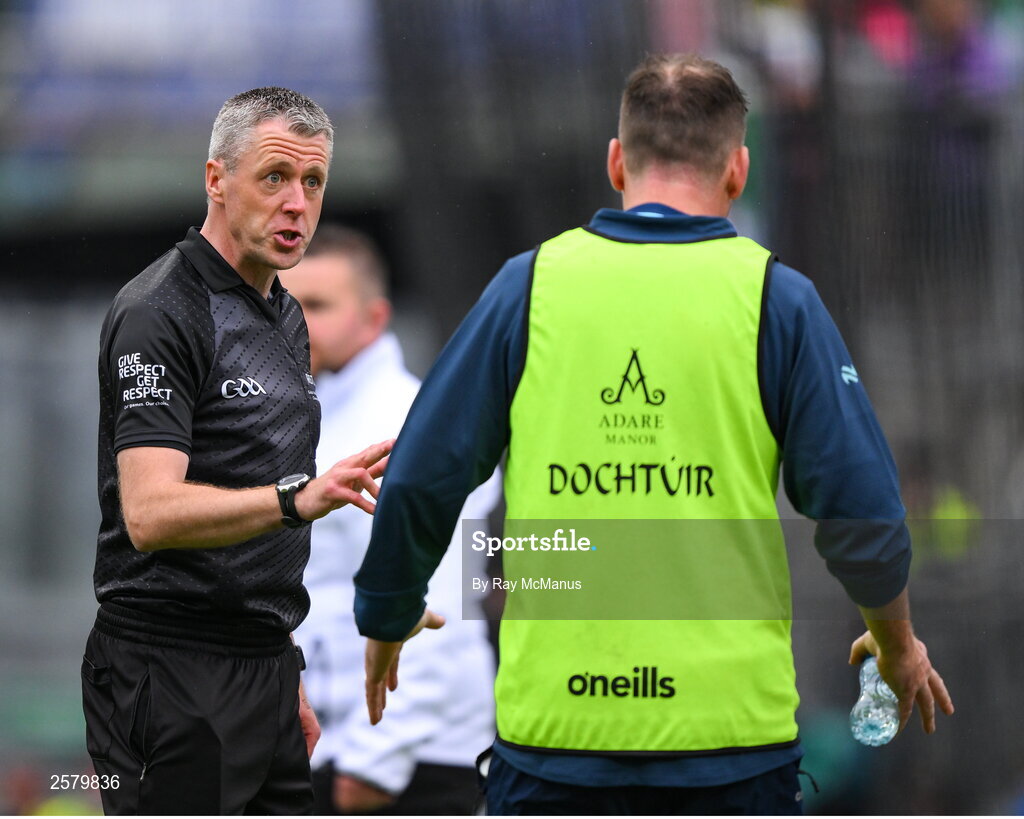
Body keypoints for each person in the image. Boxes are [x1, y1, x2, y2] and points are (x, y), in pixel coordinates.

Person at [353, 54, 955, 815]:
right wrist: (896, 642)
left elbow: (420, 474)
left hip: (556, 744)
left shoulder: (529, 284)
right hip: (729, 747)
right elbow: (862, 511)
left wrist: (387, 610)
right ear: (738, 170)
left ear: (616, 162)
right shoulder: (777, 298)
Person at [83, 87, 392, 815]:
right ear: (216, 180)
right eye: (274, 178)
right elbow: (151, 512)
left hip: (263, 669)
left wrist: (281, 669)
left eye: (313, 182)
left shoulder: (285, 313)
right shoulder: (160, 311)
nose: (297, 204)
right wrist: (296, 500)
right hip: (169, 672)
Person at [281, 225, 501, 815]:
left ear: (374, 320)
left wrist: (375, 764)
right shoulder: (304, 415)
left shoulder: (407, 421)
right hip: (327, 745)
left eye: (318, 305)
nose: (295, 321)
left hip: (410, 758)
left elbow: (438, 604)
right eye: (283, 302)